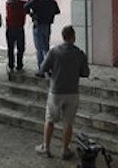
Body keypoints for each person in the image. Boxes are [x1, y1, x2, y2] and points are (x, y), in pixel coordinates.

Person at [35, 25, 89, 160]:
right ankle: (65, 150)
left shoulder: (54, 51)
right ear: (74, 37)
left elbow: (42, 69)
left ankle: (46, 147)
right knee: (68, 122)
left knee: (50, 119)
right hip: (72, 92)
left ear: (63, 36)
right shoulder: (80, 53)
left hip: (56, 91)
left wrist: (52, 72)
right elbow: (85, 73)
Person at [25, 0, 60, 77]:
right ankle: (49, 69)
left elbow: (25, 7)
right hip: (47, 26)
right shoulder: (52, 2)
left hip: (38, 25)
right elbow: (57, 11)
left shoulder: (36, 1)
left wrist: (32, 14)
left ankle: (41, 70)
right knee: (46, 47)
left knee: (39, 49)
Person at [5, 0, 29, 74]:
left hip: (10, 29)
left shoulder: (8, 3)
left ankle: (11, 65)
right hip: (19, 29)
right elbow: (31, 2)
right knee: (20, 48)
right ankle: (19, 65)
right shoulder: (22, 4)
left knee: (11, 48)